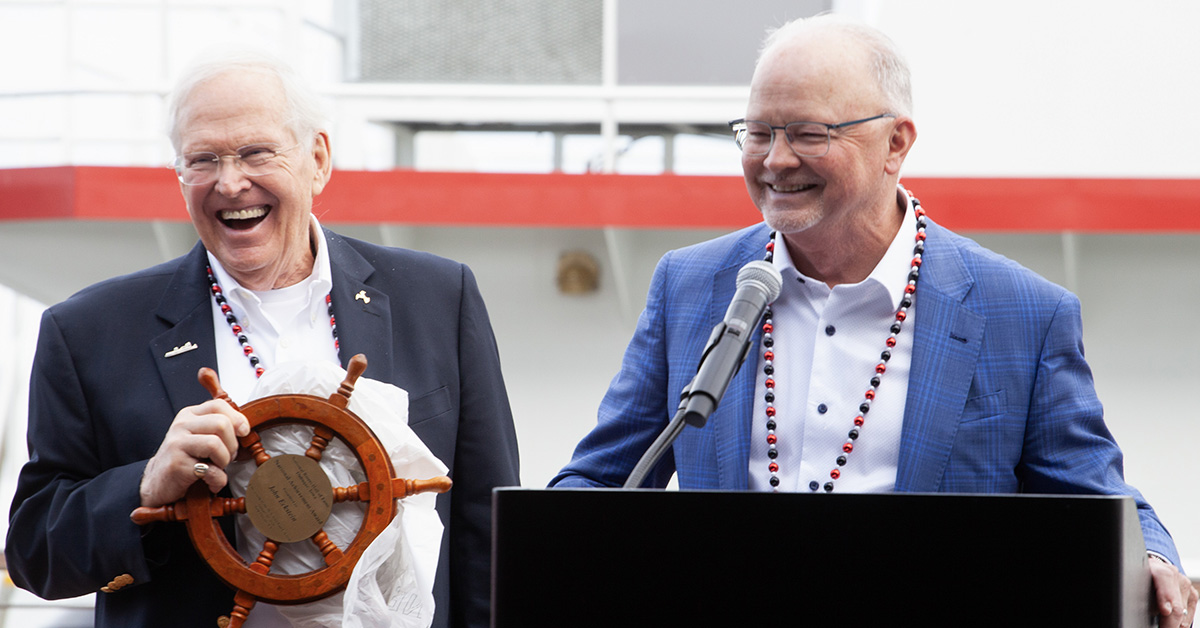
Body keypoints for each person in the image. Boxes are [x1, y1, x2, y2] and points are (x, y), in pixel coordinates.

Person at [549, 13, 1196, 627]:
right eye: (757, 131)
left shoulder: (1022, 313)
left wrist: (1154, 555)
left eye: (807, 133)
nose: (774, 160)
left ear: (896, 143)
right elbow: (605, 476)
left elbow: (1091, 494)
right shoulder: (690, 287)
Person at [5, 52, 520, 628]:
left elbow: (490, 530)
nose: (230, 182)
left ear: (317, 160)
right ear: (180, 176)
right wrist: (146, 485)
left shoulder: (437, 298)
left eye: (255, 152)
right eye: (204, 159)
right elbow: (34, 555)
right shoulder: (88, 333)